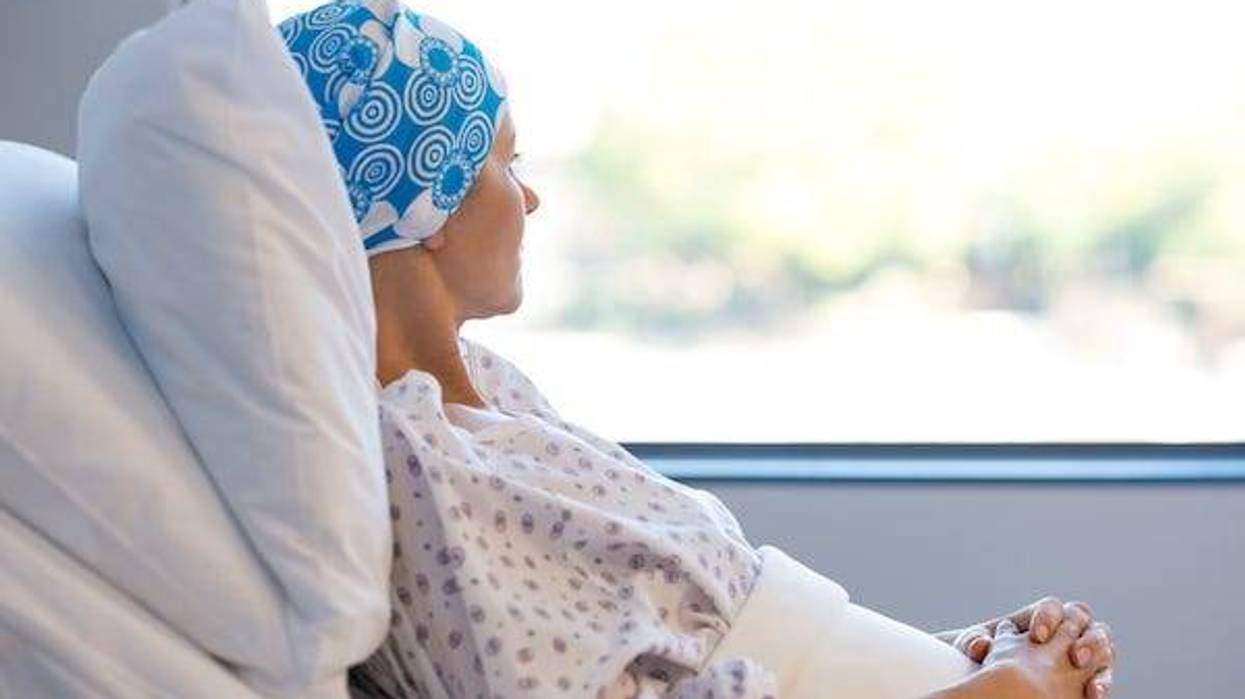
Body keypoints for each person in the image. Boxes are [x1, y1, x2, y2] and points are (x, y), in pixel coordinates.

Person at [279, 2, 1118, 698]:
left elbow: (704, 641)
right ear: (429, 192)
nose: (529, 198)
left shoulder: (492, 395)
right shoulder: (409, 459)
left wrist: (965, 653)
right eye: (506, 160)